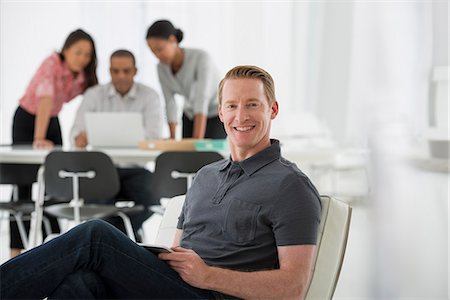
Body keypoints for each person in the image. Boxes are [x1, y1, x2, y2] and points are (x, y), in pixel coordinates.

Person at [0, 65, 321, 299]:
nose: (241, 116)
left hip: (215, 295)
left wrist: (208, 275)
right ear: (221, 113)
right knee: (81, 284)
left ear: (273, 109)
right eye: (232, 106)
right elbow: (179, 250)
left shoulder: (290, 186)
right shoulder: (206, 176)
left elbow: (293, 287)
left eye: (253, 104)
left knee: (94, 236)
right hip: (176, 287)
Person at [9, 29, 98, 258]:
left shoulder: (82, 76)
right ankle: (16, 251)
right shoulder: (52, 63)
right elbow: (45, 101)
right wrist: (38, 138)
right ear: (66, 49)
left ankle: (54, 244)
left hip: (52, 120)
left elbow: (93, 99)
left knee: (56, 181)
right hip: (29, 119)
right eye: (78, 52)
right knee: (23, 187)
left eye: (87, 55)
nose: (83, 58)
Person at [70, 49, 164, 238]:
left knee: (152, 198)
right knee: (96, 205)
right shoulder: (94, 95)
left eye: (126, 71)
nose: (121, 76)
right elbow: (75, 136)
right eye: (115, 71)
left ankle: (110, 237)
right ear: (109, 71)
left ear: (135, 71)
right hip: (101, 170)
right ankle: (123, 237)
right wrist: (80, 139)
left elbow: (154, 137)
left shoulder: (149, 96)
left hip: (135, 170)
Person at [146, 19, 227, 139]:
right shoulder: (161, 68)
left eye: (160, 49)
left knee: (207, 153)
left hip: (215, 112)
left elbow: (201, 98)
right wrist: (172, 138)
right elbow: (170, 102)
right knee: (186, 155)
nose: (157, 55)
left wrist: (197, 142)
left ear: (172, 40)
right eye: (153, 51)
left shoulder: (201, 58)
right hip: (190, 112)